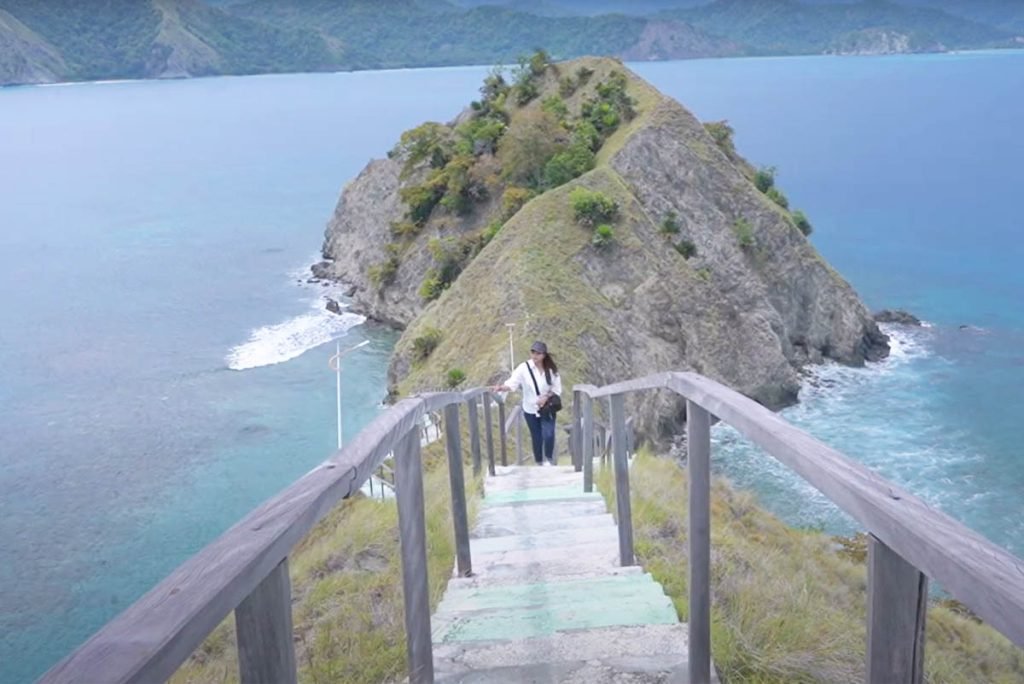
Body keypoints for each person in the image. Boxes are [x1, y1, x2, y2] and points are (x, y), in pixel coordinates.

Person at [492, 340, 562, 465]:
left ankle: (549, 460)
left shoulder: (551, 369)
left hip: (547, 407)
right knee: (536, 436)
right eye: (533, 352)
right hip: (530, 408)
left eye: (538, 353)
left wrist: (546, 397)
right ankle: (539, 462)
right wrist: (502, 387)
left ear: (544, 355)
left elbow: (556, 389)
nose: (535, 355)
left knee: (549, 433)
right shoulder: (524, 368)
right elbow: (513, 382)